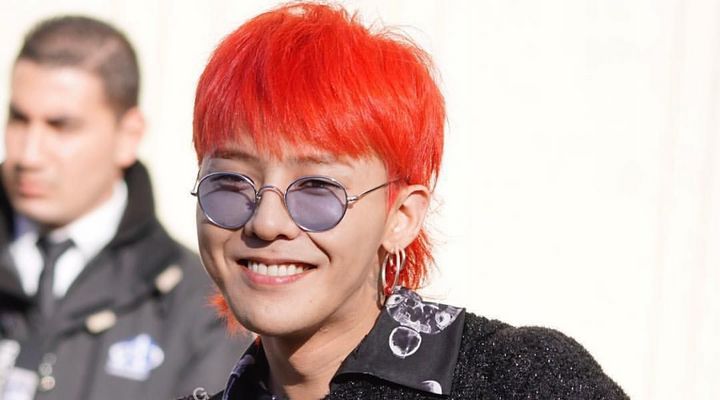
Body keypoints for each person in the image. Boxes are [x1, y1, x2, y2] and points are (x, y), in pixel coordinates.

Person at [183, 2, 629, 399]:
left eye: (317, 188)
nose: (266, 223)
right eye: (232, 182)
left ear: (400, 216)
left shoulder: (517, 382)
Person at [0, 16, 250, 400]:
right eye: (19, 119)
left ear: (128, 135)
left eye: (61, 126)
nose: (29, 155)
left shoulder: (201, 306)